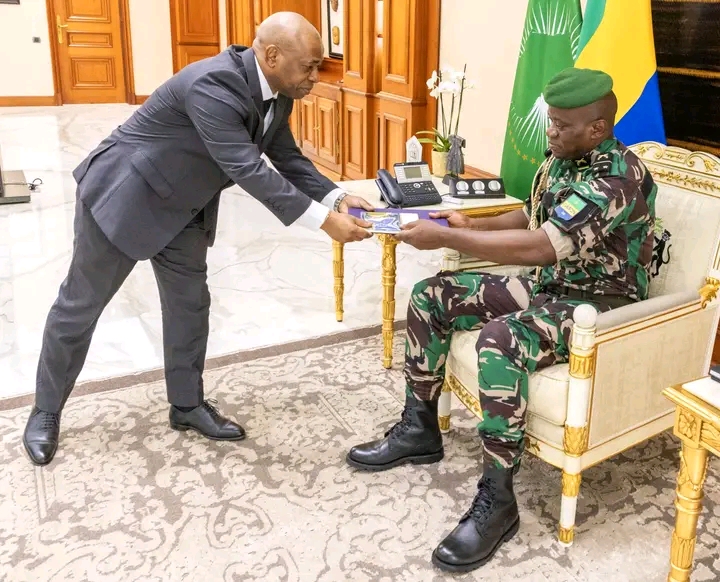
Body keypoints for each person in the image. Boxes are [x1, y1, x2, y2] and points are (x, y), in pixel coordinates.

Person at [23, 12, 375, 466]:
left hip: (185, 207)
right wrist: (324, 222)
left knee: (190, 306)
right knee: (80, 305)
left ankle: (186, 405)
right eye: (309, 66)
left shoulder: (279, 93)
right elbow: (247, 168)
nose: (315, 77)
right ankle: (45, 410)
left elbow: (287, 158)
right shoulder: (213, 84)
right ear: (272, 56)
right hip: (126, 198)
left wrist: (338, 197)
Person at [346, 68, 657, 573]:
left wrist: (448, 238)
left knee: (500, 340)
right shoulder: (562, 158)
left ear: (597, 128)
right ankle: (419, 429)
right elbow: (532, 218)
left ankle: (499, 498)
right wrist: (471, 223)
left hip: (601, 308)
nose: (550, 132)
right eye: (551, 121)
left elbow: (541, 247)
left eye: (561, 125)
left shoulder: (616, 178)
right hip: (550, 289)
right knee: (432, 295)